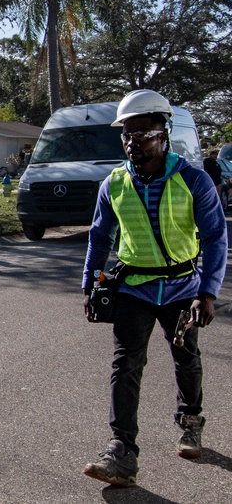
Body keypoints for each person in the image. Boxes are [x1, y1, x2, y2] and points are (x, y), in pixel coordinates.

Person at [81, 89, 226, 488]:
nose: (133, 142)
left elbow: (215, 237)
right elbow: (99, 237)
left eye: (142, 133)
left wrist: (208, 292)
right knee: (125, 364)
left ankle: (190, 421)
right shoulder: (114, 183)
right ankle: (121, 452)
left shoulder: (193, 180)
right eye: (127, 135)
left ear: (164, 134)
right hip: (134, 287)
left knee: (185, 356)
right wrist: (90, 283)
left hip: (183, 287)